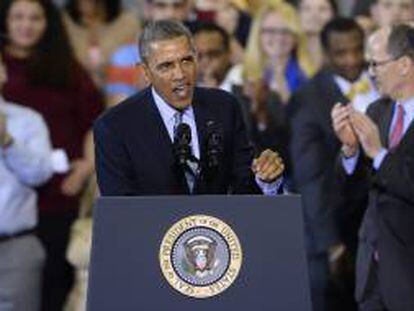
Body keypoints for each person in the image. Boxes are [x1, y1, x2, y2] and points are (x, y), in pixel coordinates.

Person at [94, 20, 285, 196]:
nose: (180, 74)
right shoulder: (115, 126)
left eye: (186, 60)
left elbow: (244, 188)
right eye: (166, 66)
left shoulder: (224, 107)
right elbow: (120, 209)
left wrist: (266, 179)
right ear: (146, 72)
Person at [0, 1, 104, 310]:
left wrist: (86, 167)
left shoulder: (67, 68)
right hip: (11, 192)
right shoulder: (1, 67)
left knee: (52, 283)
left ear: (49, 23)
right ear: (5, 21)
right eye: (18, 17)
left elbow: (95, 122)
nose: (26, 25)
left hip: (59, 189)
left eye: (35, 17)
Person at [289, 18, 379, 311]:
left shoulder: (385, 84)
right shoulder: (308, 99)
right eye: (341, 53)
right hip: (342, 230)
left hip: (391, 232)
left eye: (357, 50)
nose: (352, 60)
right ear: (326, 53)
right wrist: (331, 243)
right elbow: (310, 176)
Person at [331, 24, 414, 311]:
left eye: (376, 63)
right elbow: (352, 197)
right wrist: (350, 150)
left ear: (404, 64)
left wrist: (378, 153)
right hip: (373, 274)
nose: (371, 72)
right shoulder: (377, 112)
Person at [0, 58, 53, 311]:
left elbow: (40, 174)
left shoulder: (28, 120)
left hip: (15, 247)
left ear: (3, 72)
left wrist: (8, 141)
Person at [63, 0, 141, 87]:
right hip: (76, 92)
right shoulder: (63, 22)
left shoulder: (128, 23)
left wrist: (109, 71)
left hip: (117, 93)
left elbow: (139, 71)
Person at [194, 22, 233, 91]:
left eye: (213, 54)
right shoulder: (181, 96)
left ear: (228, 54)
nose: (205, 61)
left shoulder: (245, 92)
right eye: (199, 55)